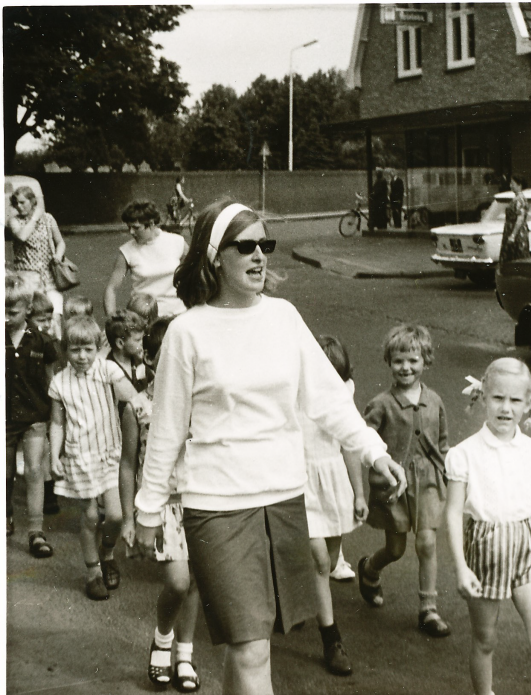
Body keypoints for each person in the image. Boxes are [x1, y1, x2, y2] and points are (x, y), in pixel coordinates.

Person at [133, 199, 407, 695]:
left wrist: (373, 451)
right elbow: (168, 430)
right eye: (246, 246)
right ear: (216, 256)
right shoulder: (187, 332)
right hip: (216, 506)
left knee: (252, 643)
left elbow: (327, 398)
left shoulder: (283, 317)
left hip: (282, 499)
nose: (260, 256)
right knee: (252, 647)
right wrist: (148, 508)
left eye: (266, 245)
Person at [445, 358, 531, 695]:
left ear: (527, 405)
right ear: (482, 397)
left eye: (515, 400)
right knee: (486, 639)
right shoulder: (464, 454)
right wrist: (461, 569)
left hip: (527, 551)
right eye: (498, 398)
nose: (506, 408)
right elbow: (452, 513)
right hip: (485, 548)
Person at [119, 316, 202, 692]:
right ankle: (163, 638)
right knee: (178, 581)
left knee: (196, 583)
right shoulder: (137, 407)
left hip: (202, 499)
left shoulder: (200, 402)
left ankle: (184, 655)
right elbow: (127, 464)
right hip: (163, 504)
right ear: (150, 361)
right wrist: (129, 518)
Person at [357, 324, 452, 638]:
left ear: (425, 360)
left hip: (428, 482)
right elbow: (363, 441)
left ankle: (429, 609)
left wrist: (451, 475)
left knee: (426, 543)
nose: (406, 367)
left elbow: (443, 443)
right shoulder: (381, 404)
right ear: (388, 361)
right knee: (395, 549)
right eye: (399, 360)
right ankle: (370, 568)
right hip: (394, 486)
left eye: (413, 360)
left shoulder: (435, 401)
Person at [49, 315, 146, 600]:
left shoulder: (107, 370)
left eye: (88, 349)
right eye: (75, 350)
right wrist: (55, 455)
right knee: (90, 515)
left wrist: (142, 406)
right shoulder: (59, 383)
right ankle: (93, 574)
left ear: (97, 348)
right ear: (65, 350)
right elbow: (56, 423)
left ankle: (107, 552)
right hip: (79, 456)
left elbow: (131, 396)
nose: (82, 356)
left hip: (109, 453)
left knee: (115, 515)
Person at [303, 335, 368, 676]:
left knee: (327, 561)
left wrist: (358, 492)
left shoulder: (344, 394)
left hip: (332, 480)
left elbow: (350, 444)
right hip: (300, 480)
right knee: (318, 560)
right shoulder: (294, 394)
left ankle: (301, 597)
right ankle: (331, 638)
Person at [6, 273, 60, 551]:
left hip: (36, 415)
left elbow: (51, 379)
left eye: (11, 312)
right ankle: (6, 516)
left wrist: (57, 410)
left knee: (35, 469)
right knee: (5, 470)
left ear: (28, 309)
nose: (5, 316)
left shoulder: (41, 341)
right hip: (5, 418)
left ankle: (36, 531)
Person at [104, 200, 188, 318]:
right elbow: (111, 289)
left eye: (136, 227)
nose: (131, 232)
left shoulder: (177, 241)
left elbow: (196, 273)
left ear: (152, 223)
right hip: (142, 317)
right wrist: (111, 321)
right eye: (129, 227)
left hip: (177, 314)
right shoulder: (126, 251)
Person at [8, 186, 67, 336]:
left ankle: (57, 352)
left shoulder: (48, 218)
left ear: (32, 201)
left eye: (22, 202)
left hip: (50, 277)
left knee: (55, 318)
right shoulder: (14, 221)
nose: (19, 206)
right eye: (16, 203)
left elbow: (60, 242)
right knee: (34, 319)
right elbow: (22, 236)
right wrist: (35, 218)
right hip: (27, 279)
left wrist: (58, 256)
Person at [26, 290, 63, 515]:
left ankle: (49, 492)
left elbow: (50, 374)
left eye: (50, 319)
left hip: (42, 398)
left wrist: (53, 398)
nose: (47, 324)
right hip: (25, 396)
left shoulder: (47, 342)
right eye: (42, 320)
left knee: (46, 446)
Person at [105, 311, 148, 395]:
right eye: (138, 340)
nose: (142, 343)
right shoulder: (109, 370)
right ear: (120, 343)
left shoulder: (138, 359)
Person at [498, 174, 530, 265]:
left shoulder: (520, 200)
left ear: (519, 185)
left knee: (517, 258)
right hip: (511, 230)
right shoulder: (516, 199)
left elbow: (520, 218)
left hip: (517, 233)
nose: (510, 186)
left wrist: (513, 235)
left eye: (512, 183)